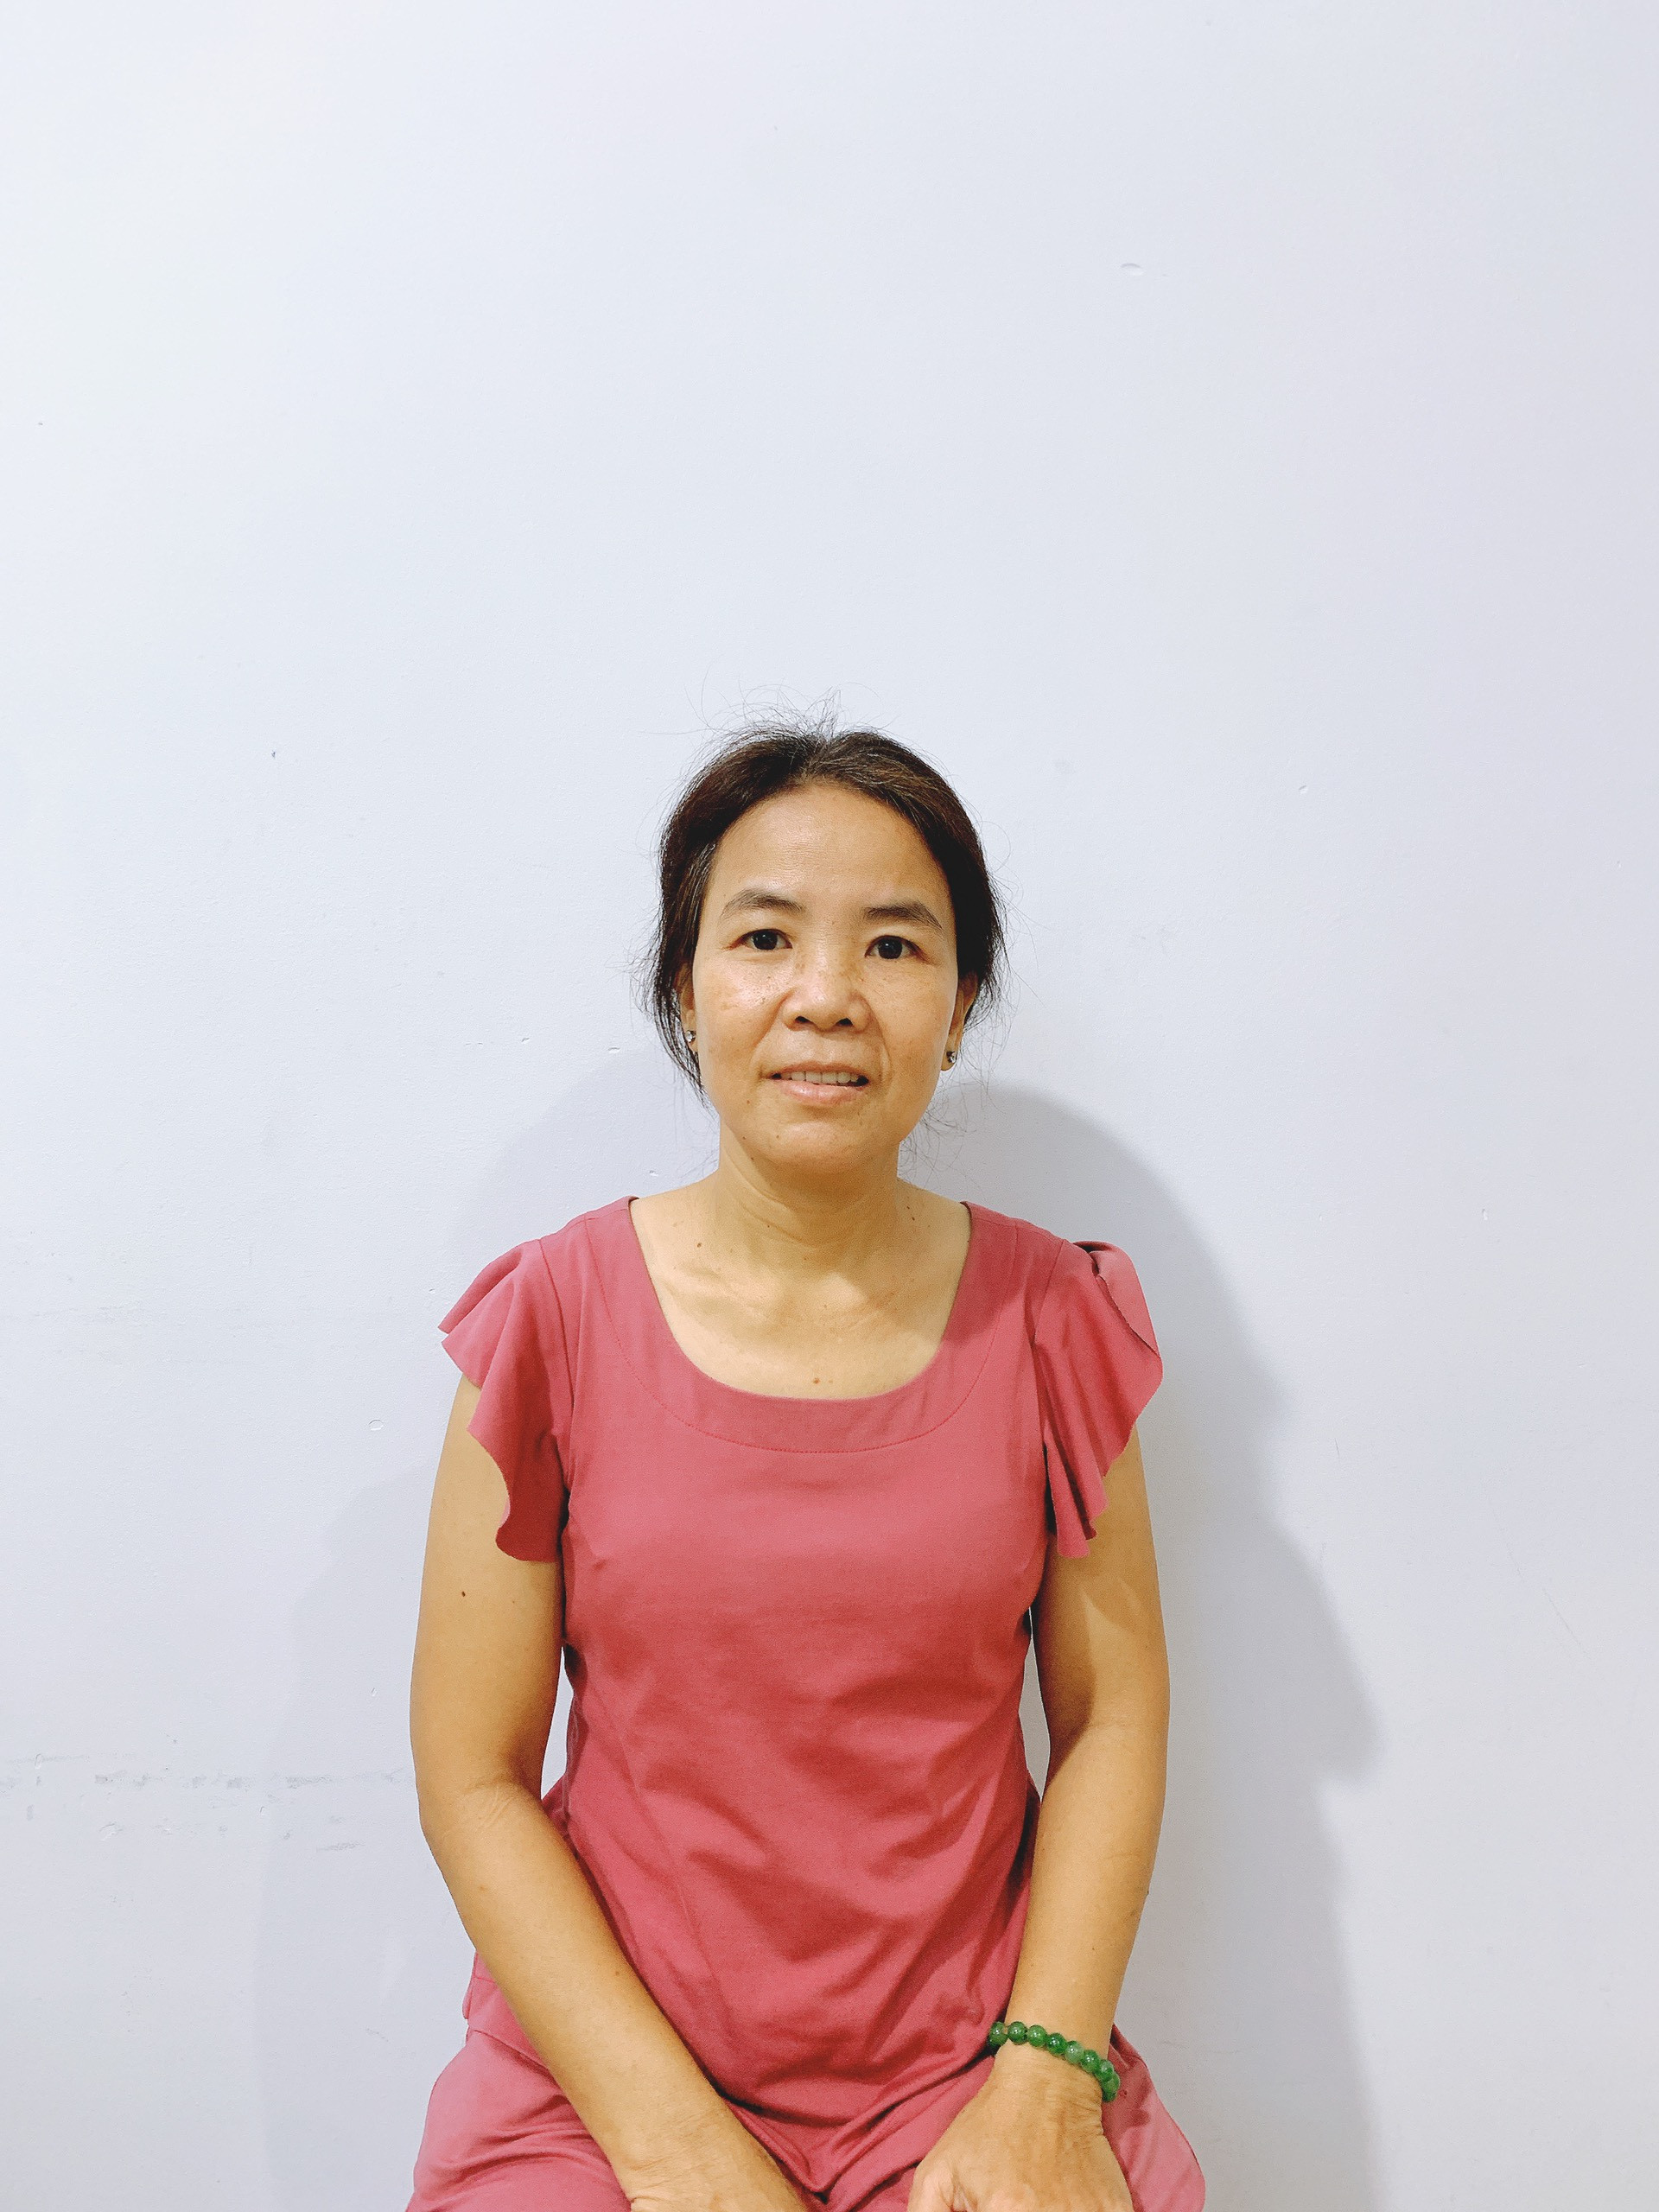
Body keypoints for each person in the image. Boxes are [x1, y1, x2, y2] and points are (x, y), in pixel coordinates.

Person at [405, 720, 1205, 2212]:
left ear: (960, 1008)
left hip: (969, 2072)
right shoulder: (551, 1323)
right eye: (764, 936)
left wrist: (1045, 2081)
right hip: (605, 2086)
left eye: (894, 947)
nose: (826, 995)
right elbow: (472, 1775)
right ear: (685, 987)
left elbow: (1111, 1714)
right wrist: (673, 2145)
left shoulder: (1054, 1320)